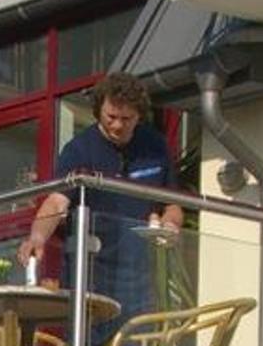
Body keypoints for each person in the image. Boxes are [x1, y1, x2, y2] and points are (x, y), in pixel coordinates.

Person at [21, 72, 185, 325]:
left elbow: (173, 204)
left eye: (126, 119)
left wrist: (171, 224)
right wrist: (37, 237)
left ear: (139, 115)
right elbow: (56, 202)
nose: (117, 125)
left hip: (139, 276)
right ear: (98, 111)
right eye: (111, 117)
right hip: (90, 275)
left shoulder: (156, 146)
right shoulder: (79, 149)